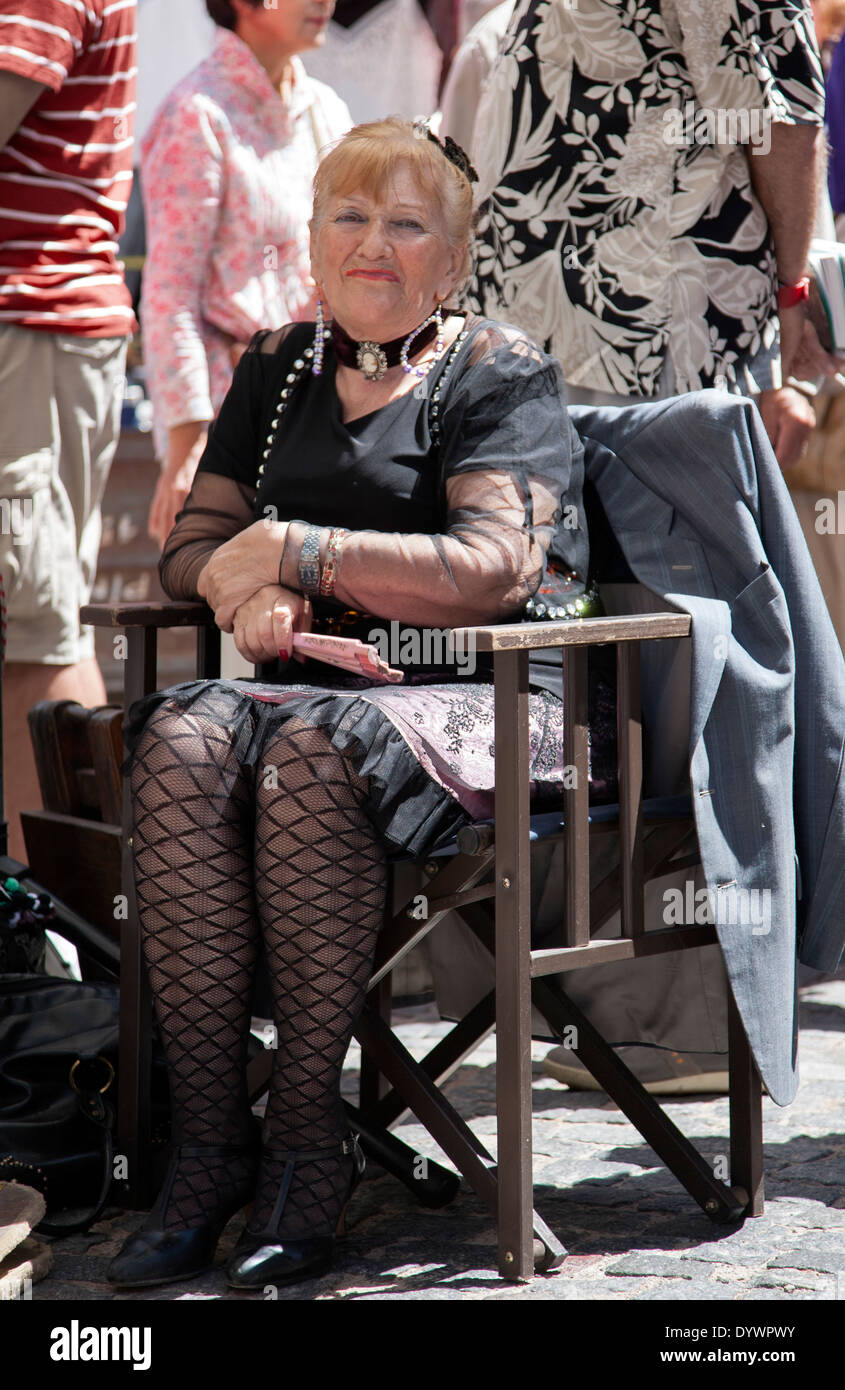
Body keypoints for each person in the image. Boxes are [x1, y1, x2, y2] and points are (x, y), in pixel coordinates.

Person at [107, 116, 588, 1290]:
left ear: (456, 257)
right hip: (307, 697)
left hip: (483, 691)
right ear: (312, 241)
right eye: (349, 217)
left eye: (406, 223)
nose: (373, 244)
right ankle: (213, 1146)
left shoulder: (496, 371)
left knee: (305, 751)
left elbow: (493, 565)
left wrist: (299, 551)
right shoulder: (275, 367)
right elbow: (191, 552)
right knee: (179, 736)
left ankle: (307, 1148)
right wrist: (244, 582)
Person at [0, 0, 137, 862]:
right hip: (40, 332)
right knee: (35, 629)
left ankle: (67, 938)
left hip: (30, 325)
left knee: (32, 634)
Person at [140, 0, 351, 549]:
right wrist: (187, 447)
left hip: (324, 401)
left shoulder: (324, 108)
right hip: (227, 411)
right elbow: (169, 293)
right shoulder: (197, 113)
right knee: (236, 613)